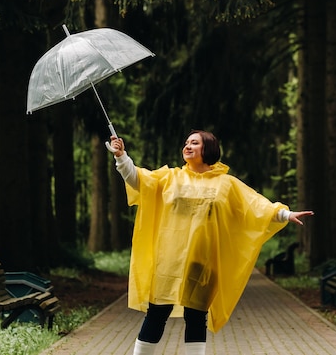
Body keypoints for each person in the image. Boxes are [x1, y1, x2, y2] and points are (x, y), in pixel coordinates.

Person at [108, 130, 313, 355]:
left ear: (208, 149)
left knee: (196, 317)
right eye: (186, 143)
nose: (187, 146)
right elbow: (137, 179)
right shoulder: (170, 177)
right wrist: (121, 156)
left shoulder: (226, 184)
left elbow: (255, 205)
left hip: (202, 262)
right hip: (168, 261)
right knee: (157, 313)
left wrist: (285, 214)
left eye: (194, 143)